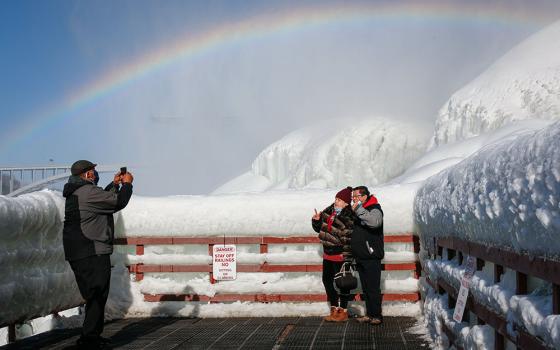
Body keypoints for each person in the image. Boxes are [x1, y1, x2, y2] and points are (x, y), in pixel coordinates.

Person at [62, 160, 134, 349]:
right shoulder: (87, 192)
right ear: (85, 175)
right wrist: (127, 184)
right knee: (97, 294)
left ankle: (91, 336)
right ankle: (89, 339)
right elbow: (118, 202)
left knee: (95, 294)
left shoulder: (78, 192)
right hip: (91, 250)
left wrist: (114, 184)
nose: (95, 173)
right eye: (92, 171)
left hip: (80, 250)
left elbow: (102, 199)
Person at [312, 186, 355, 322]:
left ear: (346, 203)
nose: (336, 201)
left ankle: (343, 311)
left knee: (343, 282)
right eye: (336, 198)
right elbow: (319, 229)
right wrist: (317, 220)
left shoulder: (349, 216)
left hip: (340, 254)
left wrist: (347, 259)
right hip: (327, 254)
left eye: (340, 200)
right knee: (327, 281)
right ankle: (334, 308)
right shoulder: (329, 211)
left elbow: (349, 239)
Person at [351, 185, 384, 325]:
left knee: (373, 287)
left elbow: (375, 223)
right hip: (361, 255)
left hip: (371, 255)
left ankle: (376, 316)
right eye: (353, 197)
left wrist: (358, 209)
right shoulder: (360, 210)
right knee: (365, 288)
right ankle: (370, 315)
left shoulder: (375, 208)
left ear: (364, 196)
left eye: (356, 196)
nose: (354, 200)